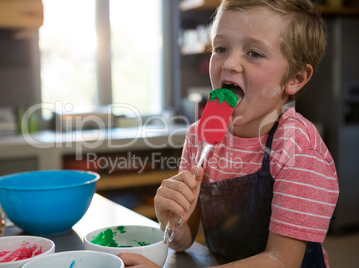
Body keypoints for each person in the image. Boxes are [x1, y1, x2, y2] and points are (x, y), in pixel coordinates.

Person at [119, 0, 339, 267]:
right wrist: (170, 218)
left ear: (295, 78)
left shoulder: (299, 151)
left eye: (254, 53)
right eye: (221, 48)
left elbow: (281, 261)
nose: (230, 64)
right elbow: (185, 239)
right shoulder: (199, 137)